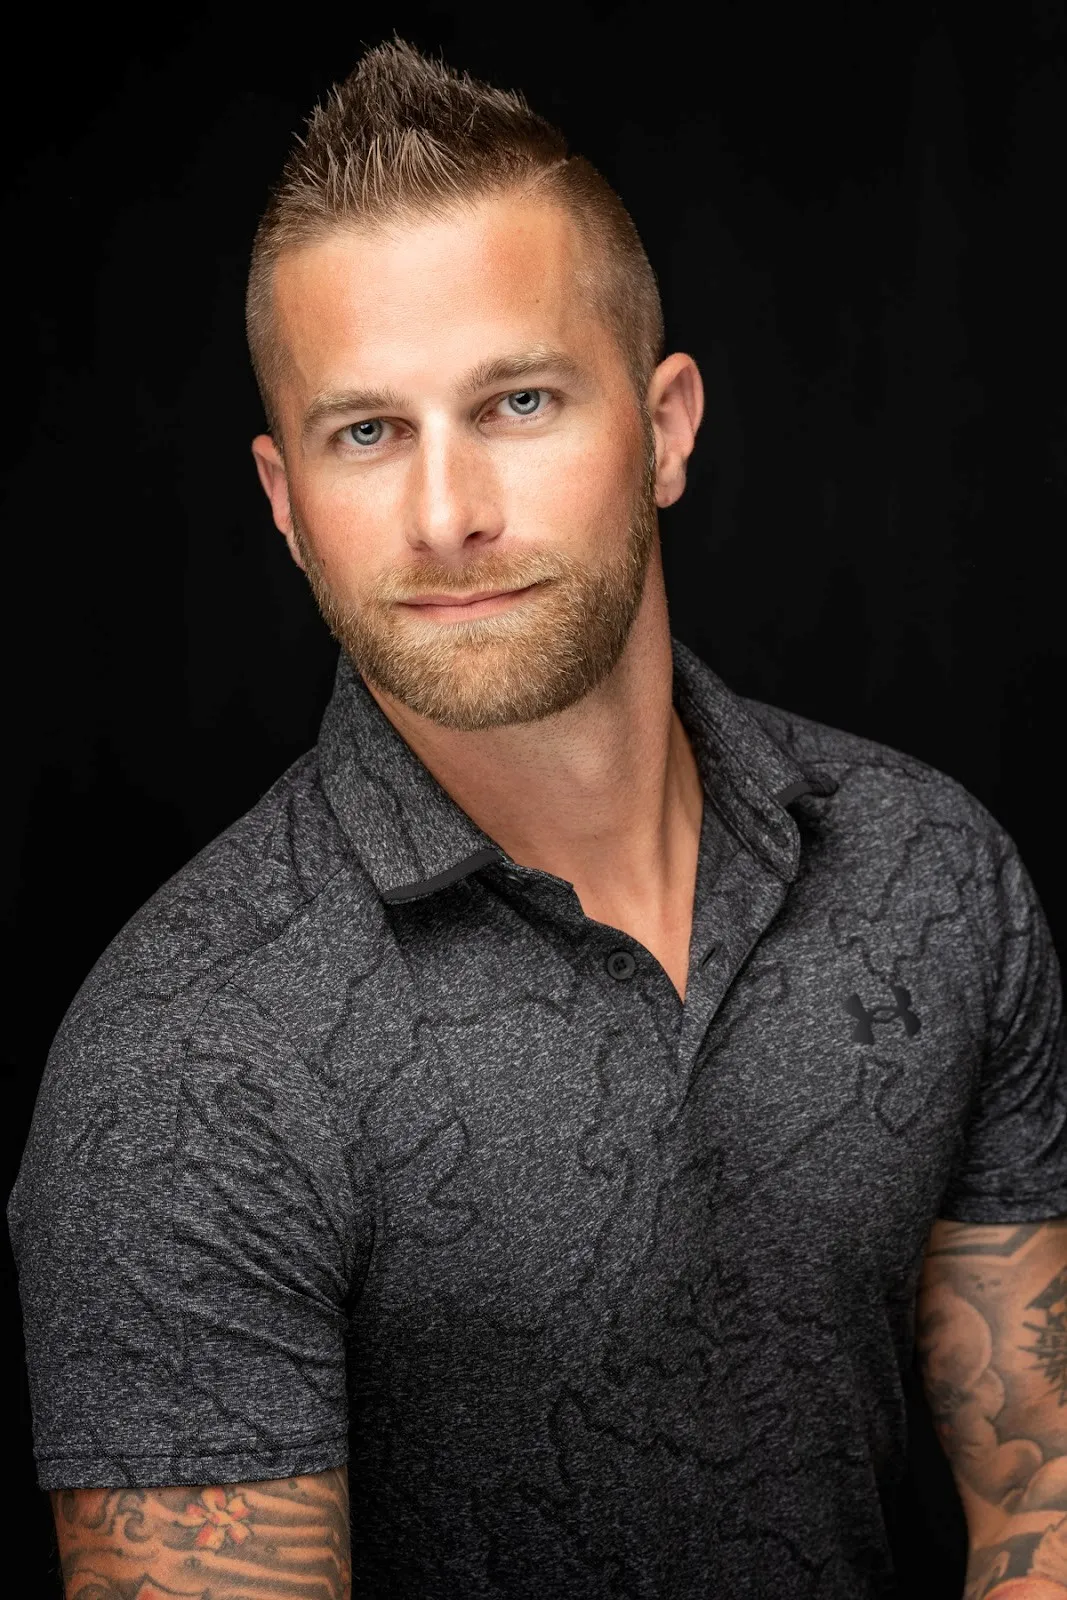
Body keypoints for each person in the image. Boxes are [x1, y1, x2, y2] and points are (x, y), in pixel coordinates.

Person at [8, 38, 1067, 1600]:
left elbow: (1038, 1508)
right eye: (365, 432)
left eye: (515, 401)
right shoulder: (185, 1061)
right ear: (284, 500)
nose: (447, 517)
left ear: (665, 427)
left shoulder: (926, 873)